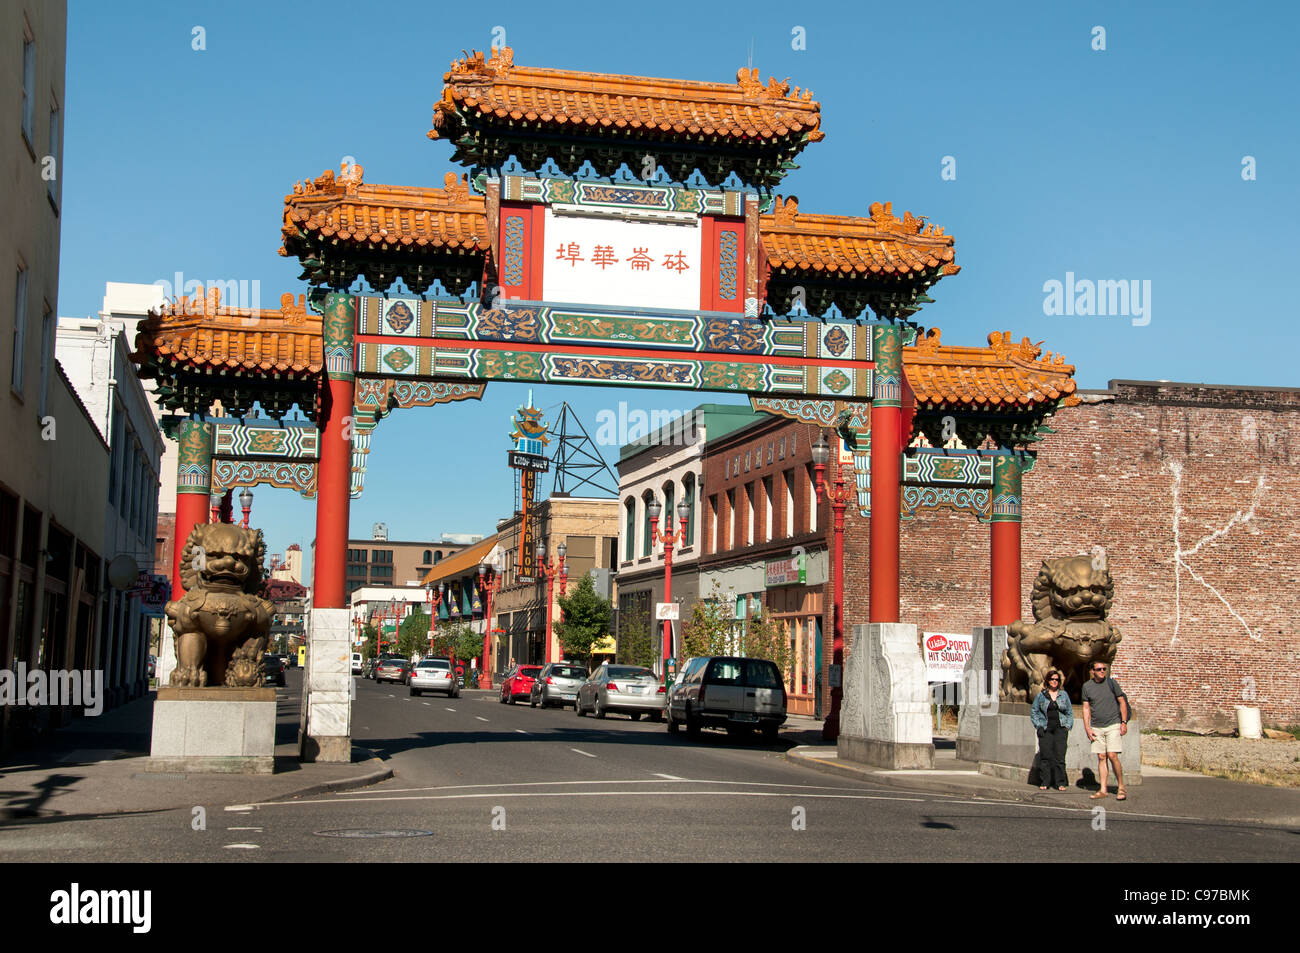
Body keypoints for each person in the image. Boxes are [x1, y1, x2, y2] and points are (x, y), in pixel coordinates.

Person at [1082, 660, 1129, 800]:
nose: (1102, 671)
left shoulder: (1111, 683)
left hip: (1113, 724)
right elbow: (1086, 708)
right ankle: (1103, 789)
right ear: (1092, 671)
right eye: (1099, 669)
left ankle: (1121, 787)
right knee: (1101, 757)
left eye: (1104, 669)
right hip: (1097, 726)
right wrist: (1087, 728)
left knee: (1112, 755)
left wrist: (1124, 722)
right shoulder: (1087, 686)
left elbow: (1122, 702)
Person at [1030, 668, 1072, 791]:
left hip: (1060, 728)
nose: (1054, 681)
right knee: (1046, 756)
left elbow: (1069, 712)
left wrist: (1067, 726)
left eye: (1056, 680)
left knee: (1060, 756)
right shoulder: (1041, 696)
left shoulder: (1063, 695)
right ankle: (1045, 781)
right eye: (1052, 679)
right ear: (1047, 681)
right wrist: (1038, 725)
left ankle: (1060, 782)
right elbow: (1034, 711)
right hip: (1046, 728)